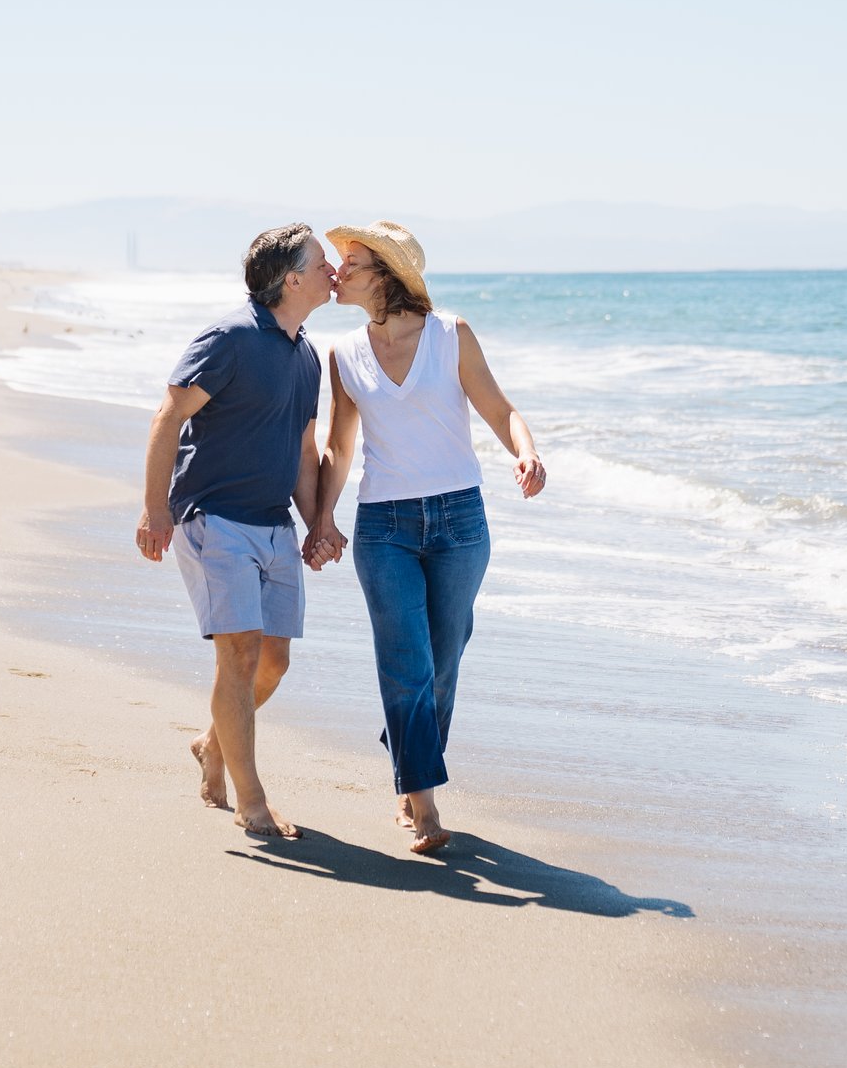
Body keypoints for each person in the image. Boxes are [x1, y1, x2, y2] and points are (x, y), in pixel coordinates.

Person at [304, 221, 544, 854]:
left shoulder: (450, 335)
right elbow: (339, 445)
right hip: (385, 526)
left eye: (350, 263)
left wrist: (525, 453)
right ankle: (424, 803)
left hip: (461, 521)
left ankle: (406, 755)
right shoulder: (344, 355)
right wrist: (323, 521)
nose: (337, 272)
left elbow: (500, 408)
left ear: (385, 272)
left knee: (444, 656)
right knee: (406, 660)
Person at [136, 223, 337, 841]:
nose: (335, 270)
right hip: (213, 516)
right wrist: (154, 507)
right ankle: (251, 802)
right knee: (240, 651)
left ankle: (210, 742)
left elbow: (305, 451)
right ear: (292, 277)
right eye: (322, 262)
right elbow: (170, 413)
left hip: (274, 523)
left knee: (273, 660)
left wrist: (318, 525)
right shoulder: (230, 336)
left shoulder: (304, 354)